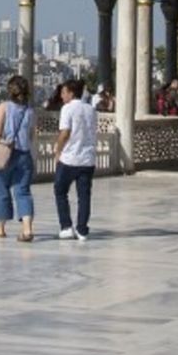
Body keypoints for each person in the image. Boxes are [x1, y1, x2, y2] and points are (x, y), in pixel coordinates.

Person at [0, 74, 36, 241]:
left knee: (1, 190)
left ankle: (1, 228)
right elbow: (31, 135)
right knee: (23, 192)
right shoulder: (30, 110)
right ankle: (27, 229)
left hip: (5, 153)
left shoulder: (4, 107)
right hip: (24, 154)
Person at [53, 79, 97, 241]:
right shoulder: (91, 109)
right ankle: (82, 229)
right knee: (84, 196)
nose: (62, 96)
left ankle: (66, 226)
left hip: (70, 158)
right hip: (87, 158)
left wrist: (58, 150)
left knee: (60, 191)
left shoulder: (68, 109)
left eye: (64, 92)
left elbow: (65, 132)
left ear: (71, 93)